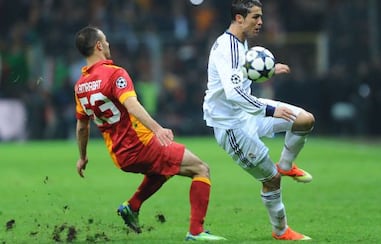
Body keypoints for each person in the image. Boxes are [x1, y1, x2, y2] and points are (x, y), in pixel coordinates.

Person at [73, 26, 226, 241]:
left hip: (120, 155)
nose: (108, 44)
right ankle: (196, 232)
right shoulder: (115, 74)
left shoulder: (80, 86)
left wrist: (82, 157)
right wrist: (158, 129)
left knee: (163, 170)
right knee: (201, 169)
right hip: (141, 144)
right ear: (98, 45)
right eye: (105, 41)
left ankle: (132, 206)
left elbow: (82, 126)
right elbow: (132, 106)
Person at [203, 0, 315, 241]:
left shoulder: (241, 43)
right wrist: (268, 110)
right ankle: (281, 231)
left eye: (261, 17)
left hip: (249, 112)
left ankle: (286, 165)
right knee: (271, 180)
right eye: (255, 17)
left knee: (304, 120)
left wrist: (269, 70)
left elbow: (240, 75)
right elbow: (233, 93)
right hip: (232, 127)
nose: (261, 22)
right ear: (239, 18)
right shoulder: (228, 47)